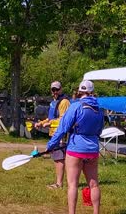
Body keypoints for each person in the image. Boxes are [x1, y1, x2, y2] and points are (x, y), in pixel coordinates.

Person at [46, 80, 104, 214]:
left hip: (76, 149)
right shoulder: (99, 110)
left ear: (79, 92)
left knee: (73, 185)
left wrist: (51, 145)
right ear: (92, 92)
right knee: (94, 184)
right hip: (92, 150)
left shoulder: (76, 106)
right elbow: (99, 131)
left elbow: (62, 129)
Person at [34, 81, 70, 189]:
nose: (55, 92)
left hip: (61, 135)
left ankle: (59, 184)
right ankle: (64, 182)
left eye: (57, 89)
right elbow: (50, 118)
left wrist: (49, 123)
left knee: (59, 158)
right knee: (57, 158)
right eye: (53, 90)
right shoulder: (53, 102)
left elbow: (64, 120)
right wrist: (41, 123)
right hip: (54, 133)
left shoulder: (64, 102)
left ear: (61, 89)